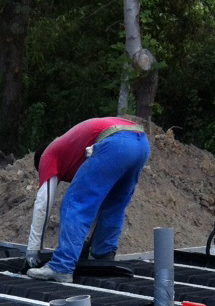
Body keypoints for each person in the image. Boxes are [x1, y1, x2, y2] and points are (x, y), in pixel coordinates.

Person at [25, 117, 150, 282]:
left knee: (74, 202)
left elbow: (44, 203)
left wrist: (33, 249)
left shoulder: (48, 155)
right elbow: (96, 203)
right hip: (141, 143)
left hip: (116, 142)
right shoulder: (77, 150)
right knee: (114, 205)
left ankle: (61, 266)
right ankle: (103, 256)